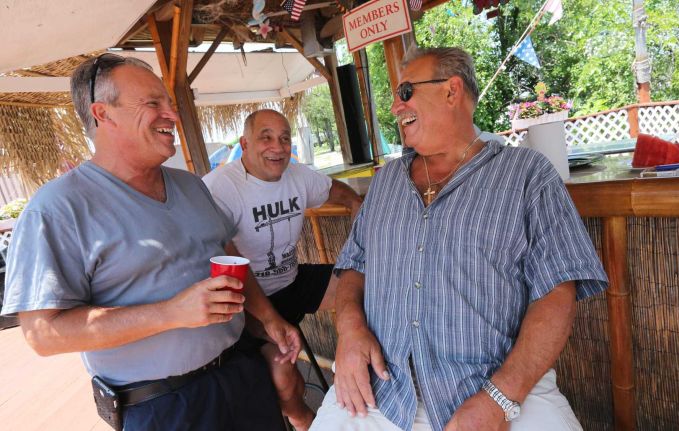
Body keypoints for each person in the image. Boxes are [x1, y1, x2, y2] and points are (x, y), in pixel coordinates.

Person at [309, 47, 609, 431]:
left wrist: (500, 398)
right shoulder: (385, 182)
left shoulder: (526, 174)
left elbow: (558, 294)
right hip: (379, 389)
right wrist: (350, 331)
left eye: (405, 92)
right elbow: (353, 268)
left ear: (452, 91)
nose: (396, 107)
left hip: (497, 387)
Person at [0, 53, 301, 430]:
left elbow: (227, 253)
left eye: (169, 103)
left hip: (241, 373)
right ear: (103, 113)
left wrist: (270, 319)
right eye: (152, 103)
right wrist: (171, 313)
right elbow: (42, 334)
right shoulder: (58, 209)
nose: (171, 115)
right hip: (162, 406)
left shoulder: (191, 185)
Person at [203, 109, 363, 430]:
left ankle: (366, 363)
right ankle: (304, 419)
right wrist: (268, 319)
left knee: (363, 285)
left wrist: (358, 208)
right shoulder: (219, 188)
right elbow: (220, 259)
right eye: (266, 137)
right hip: (248, 303)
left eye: (285, 138)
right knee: (285, 378)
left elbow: (338, 191)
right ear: (245, 144)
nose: (278, 146)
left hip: (292, 281)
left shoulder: (297, 175)